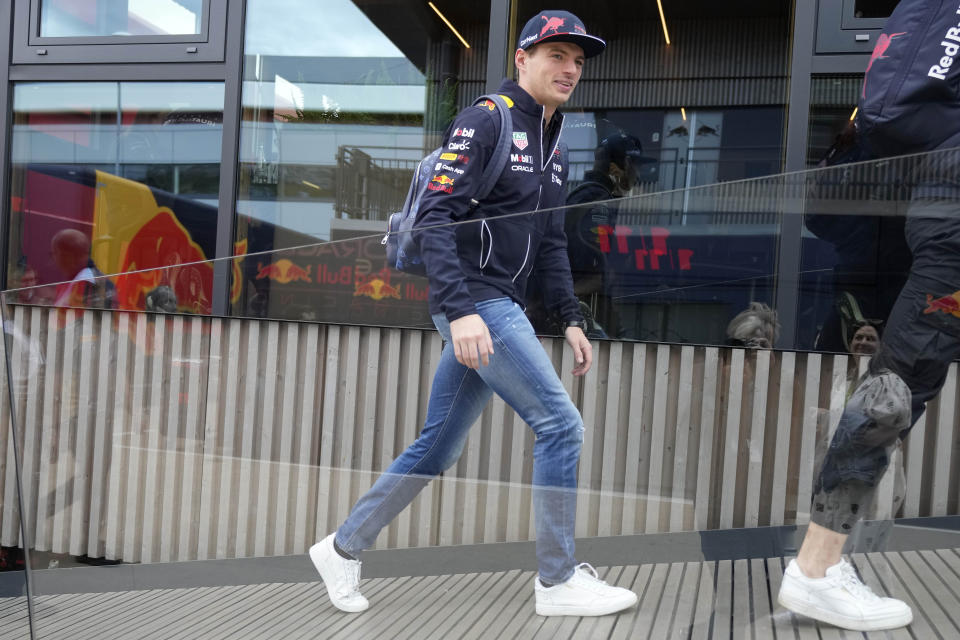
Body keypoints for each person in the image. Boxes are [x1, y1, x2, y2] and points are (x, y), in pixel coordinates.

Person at [309, 10, 638, 618]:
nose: (569, 69)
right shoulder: (486, 120)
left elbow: (553, 241)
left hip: (499, 306)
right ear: (522, 58)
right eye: (556, 55)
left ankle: (342, 546)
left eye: (577, 61)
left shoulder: (555, 141)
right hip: (477, 303)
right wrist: (460, 312)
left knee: (438, 446)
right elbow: (434, 215)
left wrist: (569, 316)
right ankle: (557, 580)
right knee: (560, 426)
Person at [778, 18, 960, 635]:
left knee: (897, 389)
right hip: (953, 239)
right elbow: (886, 113)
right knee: (892, 395)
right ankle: (817, 568)